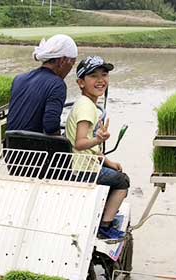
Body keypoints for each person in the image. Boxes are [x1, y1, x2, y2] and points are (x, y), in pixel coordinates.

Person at [65, 56, 130, 241]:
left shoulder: (86, 104)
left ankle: (101, 215)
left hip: (83, 163)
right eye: (93, 76)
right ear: (81, 83)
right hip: (82, 169)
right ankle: (104, 226)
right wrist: (98, 138)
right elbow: (80, 143)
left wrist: (108, 161)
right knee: (122, 182)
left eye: (104, 75)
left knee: (114, 172)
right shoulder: (86, 108)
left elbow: (88, 148)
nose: (100, 80)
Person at [6, 34, 78, 135]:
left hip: (10, 145)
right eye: (72, 64)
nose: (70, 69)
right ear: (62, 61)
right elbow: (51, 126)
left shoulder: (19, 79)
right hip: (35, 148)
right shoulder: (57, 84)